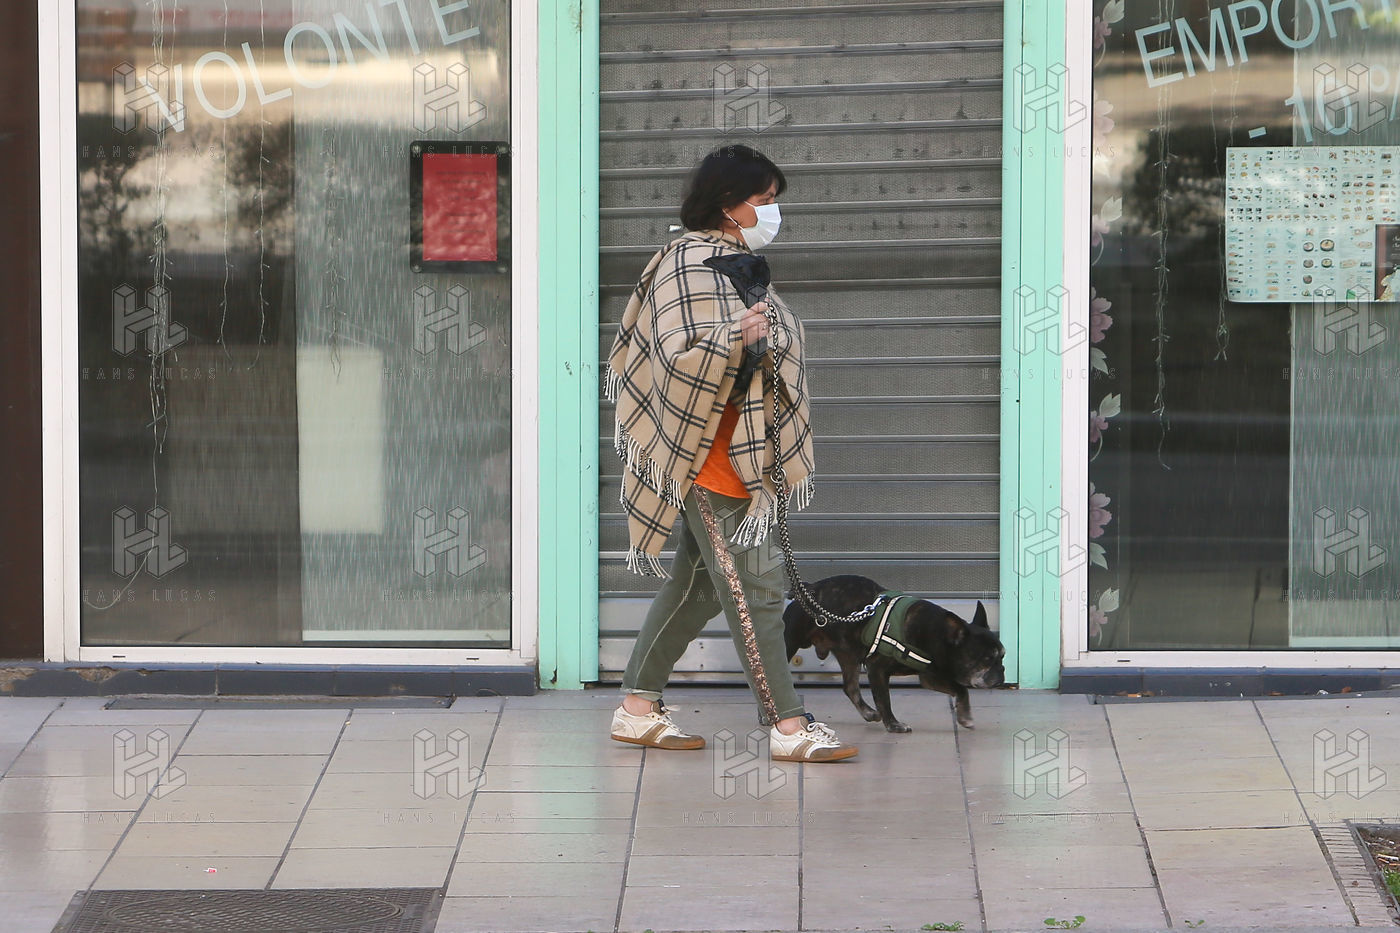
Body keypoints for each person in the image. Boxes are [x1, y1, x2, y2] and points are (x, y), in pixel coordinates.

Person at [603, 144, 857, 763]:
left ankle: (637, 709)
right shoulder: (685, 264)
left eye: (774, 201)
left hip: (738, 453)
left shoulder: (740, 265)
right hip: (709, 456)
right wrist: (732, 337)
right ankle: (788, 726)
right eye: (763, 200)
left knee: (696, 587)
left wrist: (755, 341)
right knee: (759, 592)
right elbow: (671, 359)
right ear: (727, 203)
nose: (772, 212)